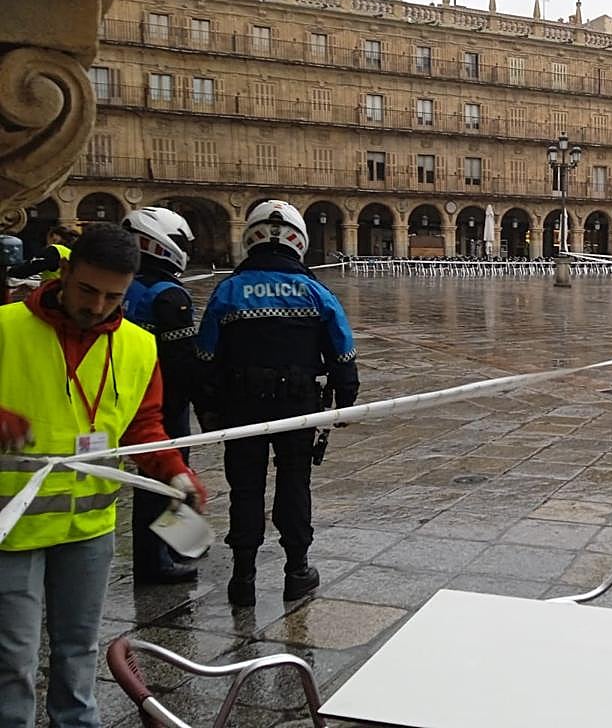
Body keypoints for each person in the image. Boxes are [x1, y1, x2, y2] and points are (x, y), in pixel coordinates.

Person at [0, 222, 207, 728]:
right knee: (13, 660)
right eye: (87, 290)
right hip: (11, 527)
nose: (96, 306)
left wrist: (174, 471)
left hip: (89, 528)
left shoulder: (139, 346)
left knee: (79, 649)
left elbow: (143, 425)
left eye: (113, 297)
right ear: (65, 273)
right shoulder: (5, 328)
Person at [195, 200, 359, 607]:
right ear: (298, 241)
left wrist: (209, 409)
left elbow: (205, 356)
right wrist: (345, 398)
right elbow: (342, 350)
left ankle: (243, 578)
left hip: (241, 404)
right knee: (294, 484)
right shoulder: (315, 291)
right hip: (298, 404)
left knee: (245, 488)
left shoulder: (228, 290)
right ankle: (297, 570)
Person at [122, 207, 202, 583]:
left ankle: (179, 544)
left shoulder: (128, 287)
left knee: (152, 478)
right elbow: (184, 363)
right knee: (167, 476)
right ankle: (161, 558)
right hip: (165, 402)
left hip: (125, 393)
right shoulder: (169, 295)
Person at [8, 225, 79, 281]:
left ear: (54, 237)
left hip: (52, 290)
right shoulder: (70, 252)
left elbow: (33, 266)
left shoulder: (55, 250)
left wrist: (10, 271)